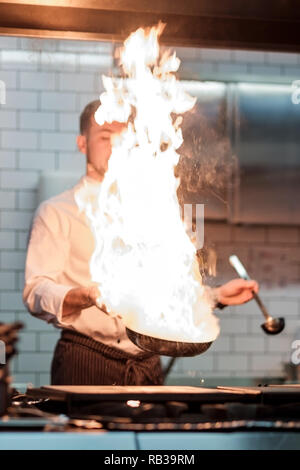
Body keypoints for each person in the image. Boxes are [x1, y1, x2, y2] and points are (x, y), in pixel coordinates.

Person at [23, 100, 259, 386]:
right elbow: (36, 291)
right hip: (86, 360)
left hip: (146, 364)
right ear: (82, 143)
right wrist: (88, 295)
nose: (116, 145)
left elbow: (162, 294)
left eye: (123, 137)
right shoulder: (57, 211)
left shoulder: (152, 211)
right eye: (105, 136)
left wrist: (217, 296)